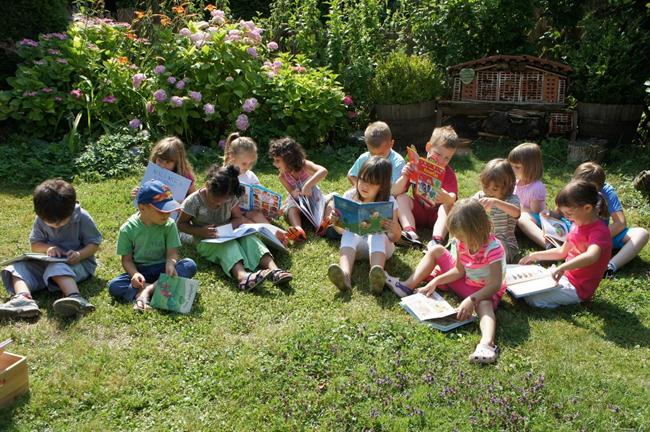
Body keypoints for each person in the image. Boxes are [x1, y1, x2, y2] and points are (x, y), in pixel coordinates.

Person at [386, 199, 507, 364]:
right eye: (458, 238)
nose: (461, 242)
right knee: (437, 250)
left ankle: (487, 344)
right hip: (466, 282)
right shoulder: (461, 242)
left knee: (484, 304)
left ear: (479, 229)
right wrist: (436, 281)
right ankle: (407, 286)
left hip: (485, 292)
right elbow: (459, 271)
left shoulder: (494, 248)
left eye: (463, 238)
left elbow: (495, 284)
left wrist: (471, 300)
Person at [177, 165, 293, 291]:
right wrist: (201, 231)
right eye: (215, 200)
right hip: (205, 240)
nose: (219, 203)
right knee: (228, 246)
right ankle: (242, 277)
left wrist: (226, 227)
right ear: (207, 185)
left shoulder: (230, 197)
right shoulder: (194, 201)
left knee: (250, 239)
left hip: (229, 233)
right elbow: (181, 224)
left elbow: (238, 218)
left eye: (224, 201)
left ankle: (274, 270)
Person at [0, 179, 102, 318]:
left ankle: (76, 298)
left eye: (61, 220)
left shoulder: (82, 217)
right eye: (51, 221)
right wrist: (49, 247)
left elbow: (94, 244)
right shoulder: (41, 219)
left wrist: (79, 254)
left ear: (71, 209)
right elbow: (35, 244)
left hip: (79, 264)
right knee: (17, 267)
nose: (56, 224)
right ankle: (23, 299)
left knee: (56, 268)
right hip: (48, 263)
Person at [519, 180, 612, 308]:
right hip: (565, 278)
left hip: (578, 289)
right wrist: (535, 255)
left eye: (569, 213)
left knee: (532, 298)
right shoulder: (577, 224)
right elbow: (562, 252)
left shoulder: (599, 231)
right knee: (525, 284)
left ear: (587, 208)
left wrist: (563, 267)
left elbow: (592, 256)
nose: (567, 218)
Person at [109, 180, 197, 311]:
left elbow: (172, 253)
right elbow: (126, 260)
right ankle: (160, 289)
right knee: (114, 286)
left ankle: (146, 292)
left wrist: (170, 263)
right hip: (141, 272)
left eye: (169, 210)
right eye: (161, 211)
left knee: (189, 265)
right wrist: (134, 274)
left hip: (163, 269)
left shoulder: (170, 224)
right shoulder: (128, 229)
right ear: (142, 207)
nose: (167, 214)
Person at [327, 157, 401, 294]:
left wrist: (395, 229)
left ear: (382, 186)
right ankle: (345, 275)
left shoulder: (389, 202)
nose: (365, 186)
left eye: (373, 183)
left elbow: (393, 238)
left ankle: (377, 275)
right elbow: (341, 232)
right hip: (358, 249)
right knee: (349, 232)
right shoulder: (350, 195)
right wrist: (336, 222)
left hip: (383, 249)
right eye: (363, 180)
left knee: (376, 234)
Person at [573, 162, 649, 278]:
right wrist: (549, 214)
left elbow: (620, 223)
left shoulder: (607, 192)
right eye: (581, 186)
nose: (584, 191)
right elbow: (560, 213)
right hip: (577, 235)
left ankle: (609, 267)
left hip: (602, 237)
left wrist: (595, 238)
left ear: (600, 186)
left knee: (642, 233)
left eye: (590, 188)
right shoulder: (571, 190)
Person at [393, 126, 459, 249]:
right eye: (438, 154)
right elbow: (395, 192)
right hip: (419, 212)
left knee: (448, 206)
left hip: (437, 216)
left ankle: (436, 240)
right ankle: (410, 233)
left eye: (447, 158)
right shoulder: (416, 166)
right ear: (428, 147)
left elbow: (452, 198)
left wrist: (446, 198)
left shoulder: (448, 173)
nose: (441, 160)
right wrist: (405, 176)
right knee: (401, 198)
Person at [269, 137, 329, 241]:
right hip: (299, 204)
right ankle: (298, 229)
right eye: (274, 161)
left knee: (332, 199)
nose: (274, 164)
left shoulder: (304, 165)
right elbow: (290, 192)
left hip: (314, 199)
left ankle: (326, 223)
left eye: (278, 161)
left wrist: (308, 185)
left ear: (289, 159)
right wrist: (293, 192)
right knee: (292, 208)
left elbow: (323, 171)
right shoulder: (282, 176)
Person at [473, 159, 521, 262]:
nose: (489, 192)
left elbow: (516, 212)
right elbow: (468, 208)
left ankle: (487, 262)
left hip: (505, 244)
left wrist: (496, 202)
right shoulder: (480, 196)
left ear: (507, 187)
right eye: (486, 187)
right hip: (483, 241)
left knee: (497, 246)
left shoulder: (511, 199)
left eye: (495, 189)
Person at [222, 132, 271, 224]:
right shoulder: (223, 174)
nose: (247, 167)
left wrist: (264, 200)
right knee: (244, 221)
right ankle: (252, 226)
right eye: (244, 163)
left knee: (256, 215)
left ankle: (274, 233)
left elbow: (260, 191)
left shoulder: (250, 175)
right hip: (229, 213)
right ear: (232, 157)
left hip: (248, 210)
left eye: (251, 163)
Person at [131, 136, 197, 199]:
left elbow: (193, 199)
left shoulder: (185, 177)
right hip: (151, 209)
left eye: (168, 162)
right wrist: (137, 194)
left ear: (177, 163)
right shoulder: (152, 173)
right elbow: (144, 195)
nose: (162, 165)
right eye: (160, 160)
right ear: (155, 158)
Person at [508, 142, 547, 247]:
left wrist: (516, 208)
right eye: (511, 166)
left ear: (531, 167)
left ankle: (547, 243)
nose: (512, 170)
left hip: (533, 219)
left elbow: (536, 212)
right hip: (517, 214)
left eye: (517, 167)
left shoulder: (536, 187)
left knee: (522, 218)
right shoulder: (515, 182)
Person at [347, 121, 406, 190]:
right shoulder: (364, 158)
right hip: (366, 196)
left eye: (381, 154)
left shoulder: (397, 162)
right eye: (372, 153)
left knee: (402, 198)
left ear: (391, 144)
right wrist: (361, 188)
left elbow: (396, 188)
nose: (376, 158)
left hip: (389, 197)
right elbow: (351, 175)